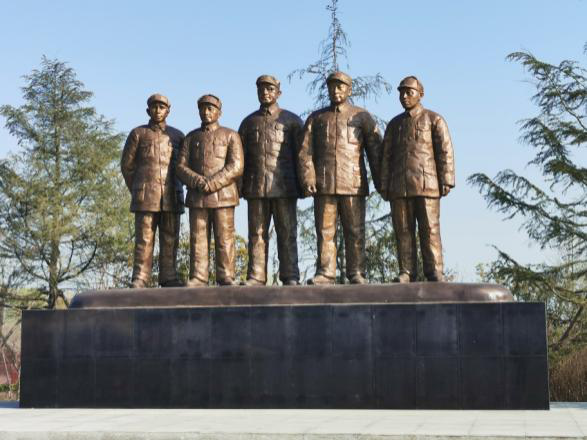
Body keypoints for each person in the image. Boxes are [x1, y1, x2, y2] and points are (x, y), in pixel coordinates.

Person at [298, 71, 381, 285]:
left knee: (355, 231)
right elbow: (305, 152)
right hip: (324, 184)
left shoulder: (362, 117)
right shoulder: (317, 118)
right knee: (325, 232)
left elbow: (375, 151)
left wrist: (382, 182)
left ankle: (357, 272)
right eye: (332, 87)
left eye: (340, 87)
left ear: (349, 90)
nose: (335, 91)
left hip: (353, 183)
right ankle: (326, 272)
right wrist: (308, 178)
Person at [379, 76, 455, 282]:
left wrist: (446, 179)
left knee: (430, 229)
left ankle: (435, 270)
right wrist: (383, 184)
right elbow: (386, 156)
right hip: (399, 187)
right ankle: (406, 271)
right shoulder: (394, 125)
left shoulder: (434, 119)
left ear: (420, 94)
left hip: (427, 185)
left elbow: (445, 151)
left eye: (409, 92)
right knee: (403, 231)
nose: (404, 97)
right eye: (401, 93)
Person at [238, 75, 304, 286]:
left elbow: (302, 155)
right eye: (261, 89)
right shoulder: (248, 123)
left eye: (270, 89)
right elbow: (241, 158)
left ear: (278, 93)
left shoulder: (292, 121)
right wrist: (239, 188)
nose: (265, 93)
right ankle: (256, 275)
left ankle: (290, 275)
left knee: (287, 232)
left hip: (285, 186)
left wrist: (304, 184)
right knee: (256, 234)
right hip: (256, 186)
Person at [176, 94, 244, 286]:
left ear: (219, 112)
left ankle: (226, 275)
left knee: (225, 237)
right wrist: (197, 181)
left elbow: (237, 166)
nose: (206, 112)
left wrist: (213, 183)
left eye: (210, 108)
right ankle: (198, 276)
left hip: (224, 196)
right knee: (198, 238)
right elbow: (180, 166)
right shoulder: (191, 137)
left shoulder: (231, 135)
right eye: (202, 109)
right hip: (198, 196)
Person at [121, 93, 184, 288]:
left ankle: (169, 276)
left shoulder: (178, 136)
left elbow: (184, 166)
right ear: (148, 110)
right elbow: (127, 166)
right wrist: (138, 189)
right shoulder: (138, 134)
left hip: (171, 196)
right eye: (154, 107)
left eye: (162, 107)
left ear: (168, 111)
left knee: (170, 238)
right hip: (145, 196)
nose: (158, 110)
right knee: (144, 239)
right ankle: (140, 277)